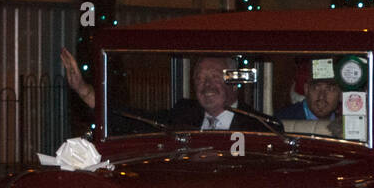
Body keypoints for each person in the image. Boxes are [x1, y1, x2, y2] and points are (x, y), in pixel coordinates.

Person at [59, 47, 255, 131]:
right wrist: (84, 90)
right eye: (200, 79)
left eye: (214, 77)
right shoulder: (183, 114)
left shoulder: (259, 127)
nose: (207, 85)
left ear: (234, 82)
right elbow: (133, 120)